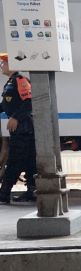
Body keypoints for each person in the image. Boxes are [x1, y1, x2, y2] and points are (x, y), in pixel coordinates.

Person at [0, 53, 35, 204]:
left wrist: (16, 117)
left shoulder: (20, 80)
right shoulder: (10, 82)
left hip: (24, 128)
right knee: (28, 161)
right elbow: (5, 104)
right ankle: (31, 191)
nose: (2, 66)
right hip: (19, 128)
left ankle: (4, 194)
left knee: (15, 160)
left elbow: (29, 102)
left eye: (4, 63)